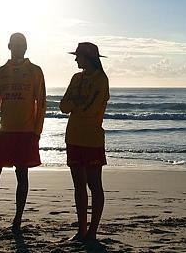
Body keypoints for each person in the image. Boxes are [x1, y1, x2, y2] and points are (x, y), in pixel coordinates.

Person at [0, 32, 46, 232]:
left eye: (23, 44)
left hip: (26, 131)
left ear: (26, 47)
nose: (19, 47)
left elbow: (42, 102)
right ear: (9, 46)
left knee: (22, 175)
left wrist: (37, 132)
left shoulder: (35, 71)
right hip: (3, 131)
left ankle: (17, 221)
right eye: (16, 44)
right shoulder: (0, 72)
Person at [59, 42, 110, 243]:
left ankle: (92, 231)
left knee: (94, 184)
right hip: (73, 136)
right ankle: (81, 230)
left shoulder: (101, 79)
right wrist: (76, 103)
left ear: (88, 58)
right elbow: (63, 106)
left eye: (78, 56)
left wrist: (75, 103)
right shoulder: (76, 78)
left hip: (92, 139)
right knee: (78, 185)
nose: (75, 59)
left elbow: (90, 109)